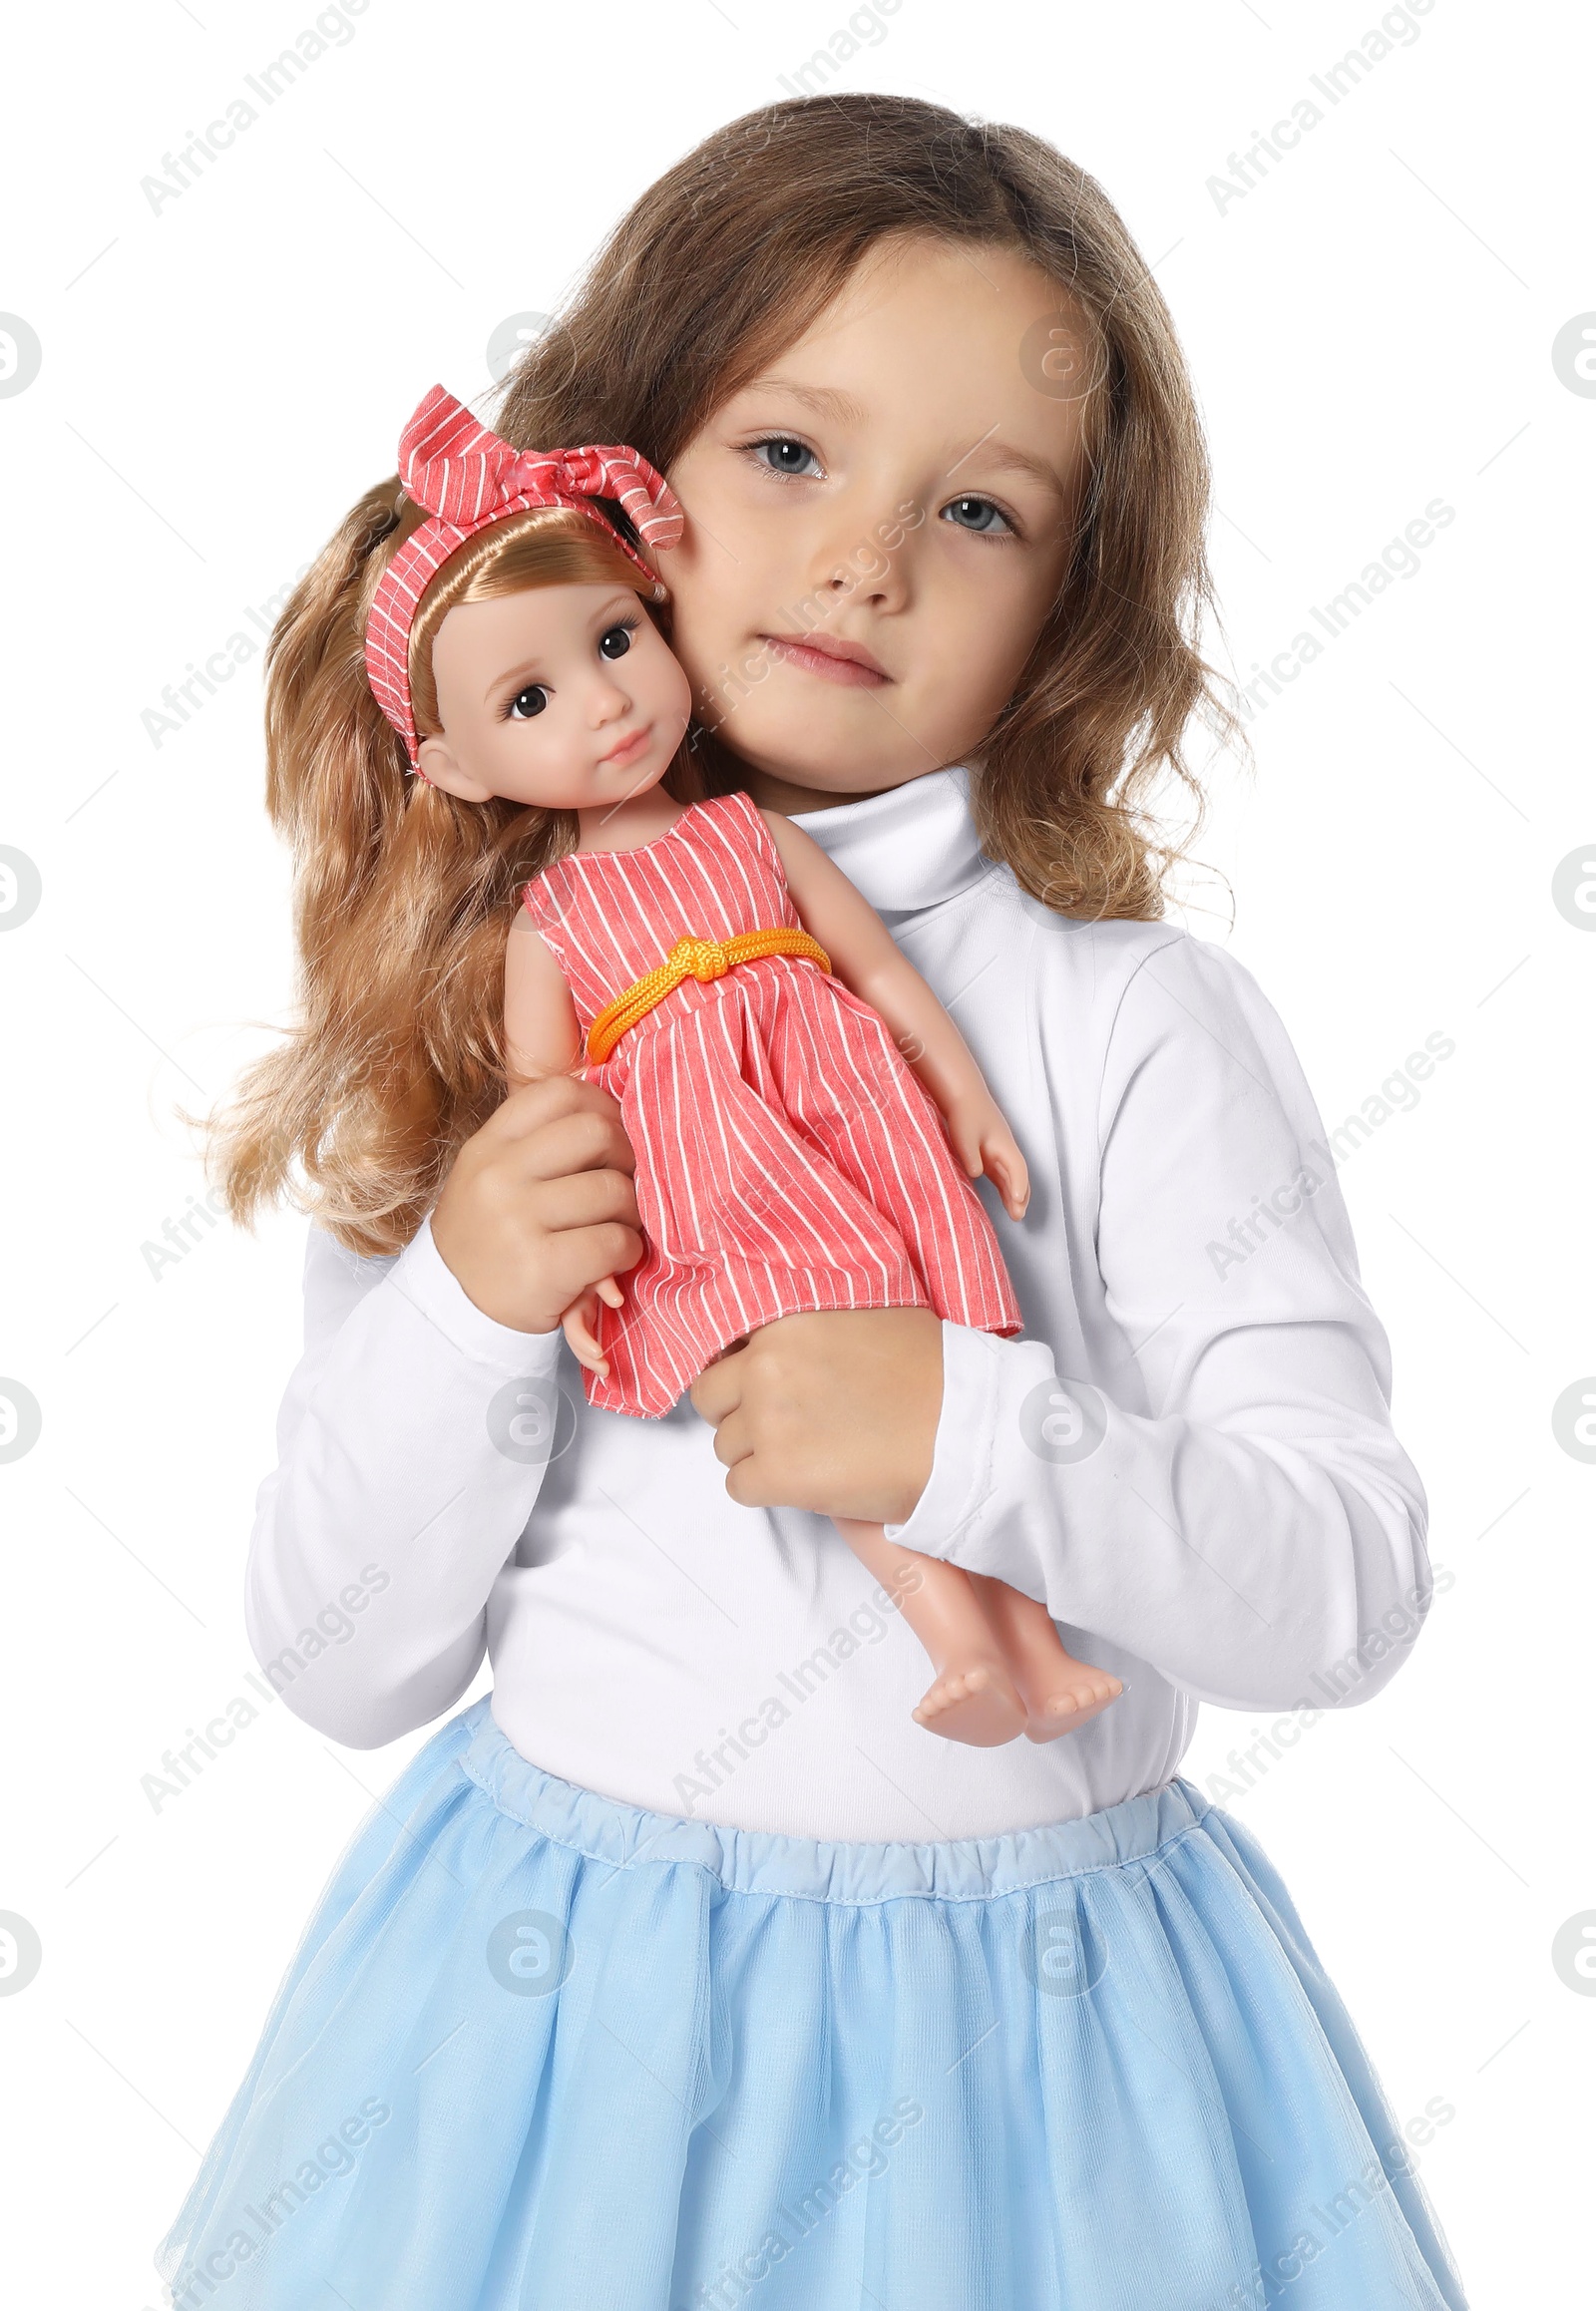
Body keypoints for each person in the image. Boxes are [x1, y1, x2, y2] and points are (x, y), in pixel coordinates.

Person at [157, 94, 1467, 2311]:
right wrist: (471, 1302)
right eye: (785, 455)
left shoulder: (1131, 1025)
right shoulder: (484, 1025)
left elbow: (1337, 1590)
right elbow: (335, 1657)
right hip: (564, 2039)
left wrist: (974, 1435)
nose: (864, 555)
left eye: (975, 507)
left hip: (1042, 2090)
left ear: (1067, 614)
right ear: (611, 496)